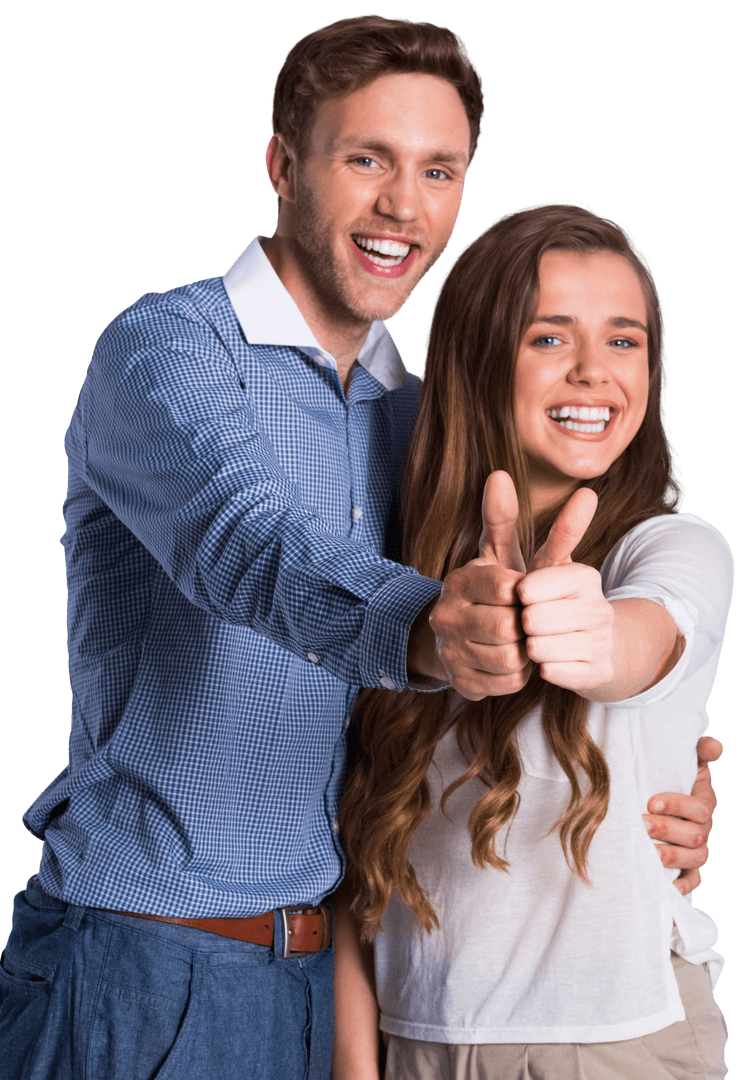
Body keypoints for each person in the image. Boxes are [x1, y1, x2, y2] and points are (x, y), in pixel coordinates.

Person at [0, 17, 718, 1080]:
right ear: (284, 166)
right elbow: (250, 546)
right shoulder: (167, 354)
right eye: (367, 159)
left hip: (333, 980)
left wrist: (656, 781)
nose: (403, 205)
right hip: (144, 967)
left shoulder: (422, 428)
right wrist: (429, 629)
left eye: (440, 170)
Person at [335, 204, 731, 1080]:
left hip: (613, 1045)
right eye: (549, 338)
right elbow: (346, 861)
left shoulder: (673, 548)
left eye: (624, 342)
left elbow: (639, 641)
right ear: (479, 361)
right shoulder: (383, 583)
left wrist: (574, 631)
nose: (594, 372)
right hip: (414, 1044)